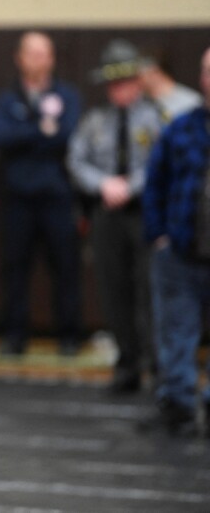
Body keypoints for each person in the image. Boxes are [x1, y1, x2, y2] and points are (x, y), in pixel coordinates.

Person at [67, 39, 163, 393]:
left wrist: (131, 186)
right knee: (113, 290)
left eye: (125, 81)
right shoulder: (95, 121)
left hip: (144, 214)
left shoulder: (156, 118)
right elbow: (76, 161)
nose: (119, 89)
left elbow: (161, 163)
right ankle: (127, 364)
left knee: (148, 291)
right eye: (113, 82)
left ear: (138, 81)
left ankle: (158, 365)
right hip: (106, 213)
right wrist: (104, 183)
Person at [0, 31, 82, 356]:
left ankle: (69, 336)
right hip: (17, 198)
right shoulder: (6, 99)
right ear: (19, 58)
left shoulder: (67, 96)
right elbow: (2, 138)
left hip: (57, 195)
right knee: (15, 269)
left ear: (53, 59)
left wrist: (28, 136)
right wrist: (40, 132)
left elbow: (67, 136)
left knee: (66, 267)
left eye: (44, 53)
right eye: (32, 53)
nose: (38, 60)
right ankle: (14, 336)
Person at [140, 46, 210, 437]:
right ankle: (179, 406)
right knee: (175, 334)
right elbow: (155, 185)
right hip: (180, 252)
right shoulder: (181, 128)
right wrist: (160, 236)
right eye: (206, 72)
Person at [138, 53, 202, 123]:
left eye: (140, 76)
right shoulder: (140, 100)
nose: (137, 81)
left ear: (155, 73)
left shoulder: (190, 101)